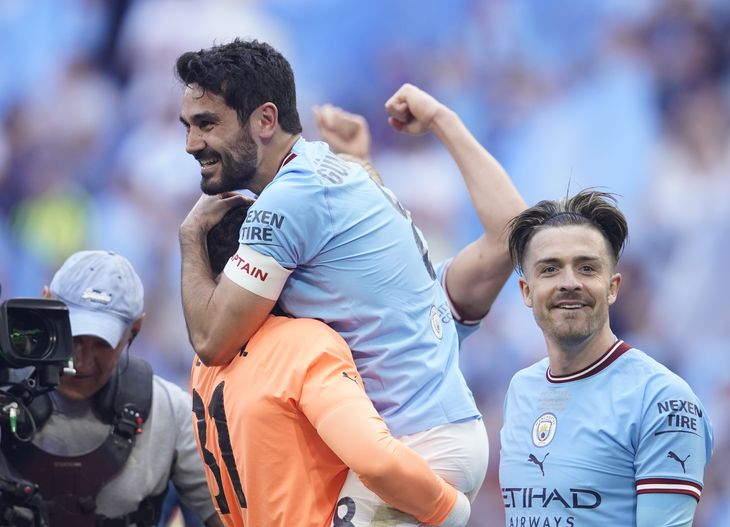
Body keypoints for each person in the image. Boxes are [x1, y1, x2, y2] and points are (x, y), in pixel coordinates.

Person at [176, 39, 524, 524]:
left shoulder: (287, 200)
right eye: (188, 126)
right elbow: (513, 235)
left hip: (409, 448)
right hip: (442, 430)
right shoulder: (344, 176)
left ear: (264, 120)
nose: (192, 144)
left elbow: (213, 341)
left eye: (207, 123)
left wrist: (191, 235)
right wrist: (442, 119)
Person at [189, 207, 470, 526]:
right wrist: (450, 508)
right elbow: (376, 462)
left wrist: (190, 237)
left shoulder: (204, 363)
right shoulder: (303, 344)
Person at [500, 190, 714, 526]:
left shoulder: (662, 399)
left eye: (586, 268)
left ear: (612, 287)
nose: (569, 283)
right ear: (527, 291)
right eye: (550, 269)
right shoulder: (521, 389)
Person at [1, 250, 222, 527]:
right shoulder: (4, 393)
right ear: (45, 303)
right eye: (73, 337)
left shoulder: (171, 413)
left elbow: (226, 519)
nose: (81, 361)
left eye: (102, 344)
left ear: (136, 328)